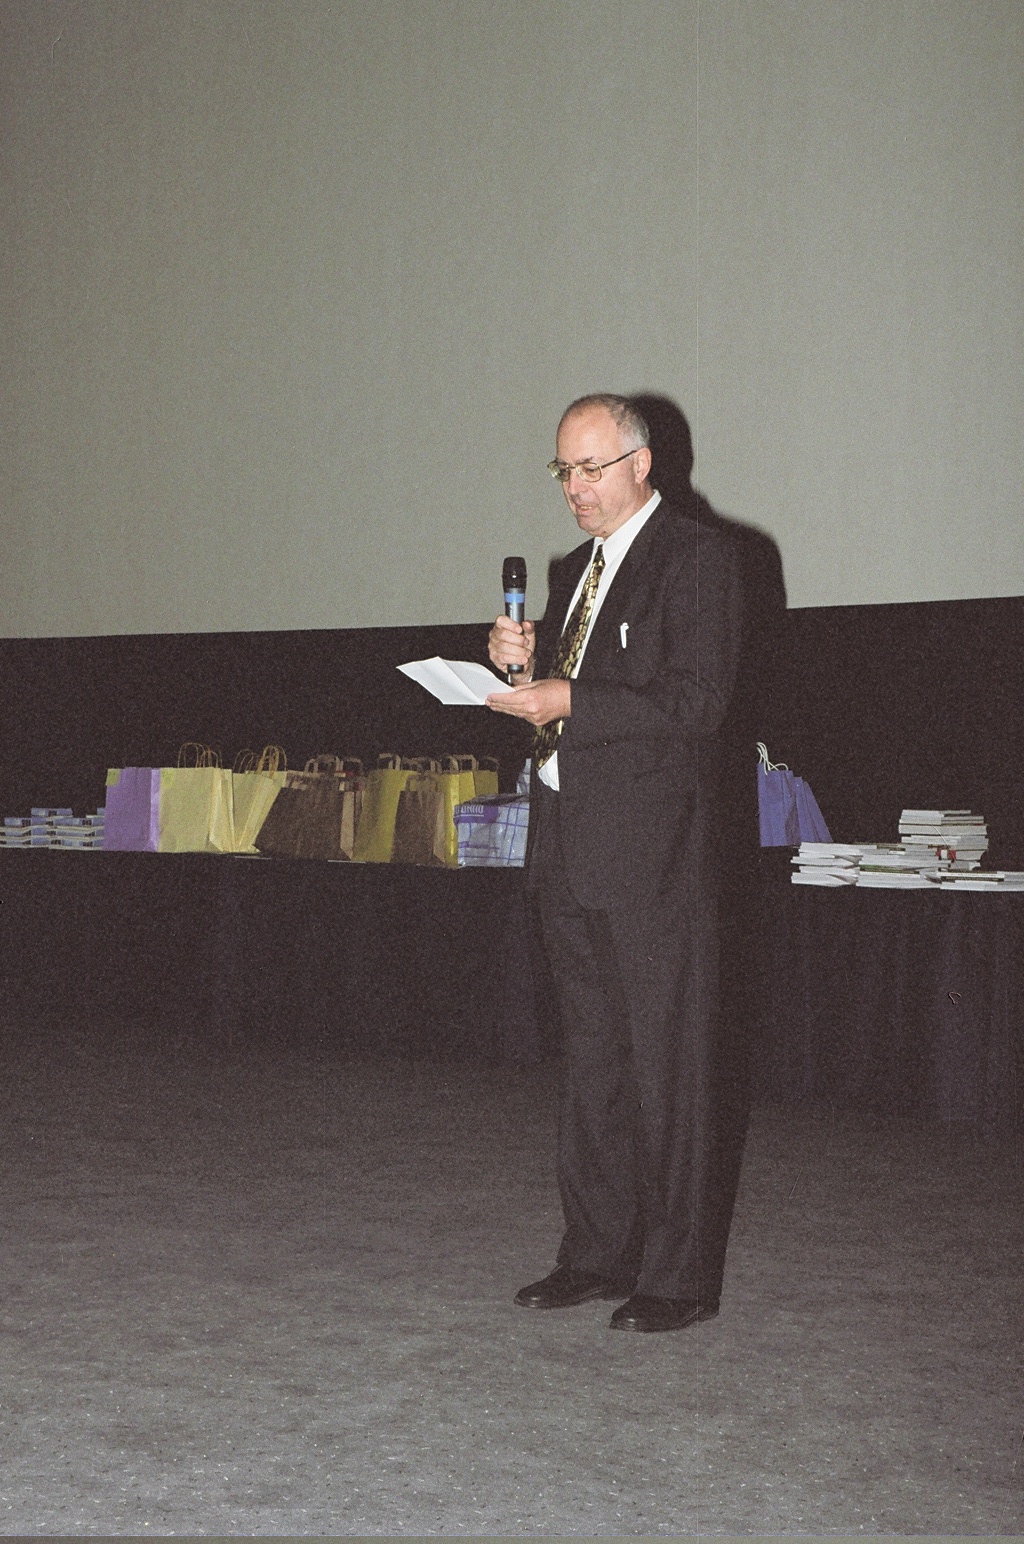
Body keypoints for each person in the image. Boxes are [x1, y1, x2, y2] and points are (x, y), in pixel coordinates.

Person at [486, 393, 751, 1333]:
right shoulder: (573, 570)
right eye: (563, 470)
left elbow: (697, 704)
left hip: (656, 859)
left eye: (591, 468)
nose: (575, 489)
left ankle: (679, 1278)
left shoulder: (699, 558)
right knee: (593, 1063)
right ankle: (596, 1253)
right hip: (569, 847)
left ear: (642, 464)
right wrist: (519, 674)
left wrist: (570, 697)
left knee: (671, 1070)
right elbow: (568, 703)